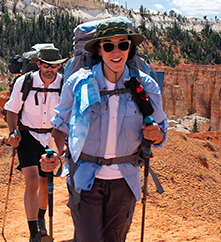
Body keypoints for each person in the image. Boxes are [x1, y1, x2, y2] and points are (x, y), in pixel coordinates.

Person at [40, 17, 168, 242]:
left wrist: (156, 134)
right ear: (99, 49)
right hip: (85, 179)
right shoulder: (77, 83)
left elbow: (161, 131)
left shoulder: (145, 85)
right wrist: (54, 155)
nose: (116, 51)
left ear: (130, 47)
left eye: (122, 44)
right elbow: (60, 129)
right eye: (108, 45)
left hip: (125, 182)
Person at [4, 47, 68, 242]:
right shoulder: (24, 82)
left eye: (55, 66)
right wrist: (13, 132)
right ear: (38, 63)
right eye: (47, 65)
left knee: (44, 182)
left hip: (52, 137)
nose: (51, 70)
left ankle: (41, 218)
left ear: (60, 65)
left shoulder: (65, 84)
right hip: (28, 135)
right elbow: (12, 110)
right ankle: (34, 233)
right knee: (31, 182)